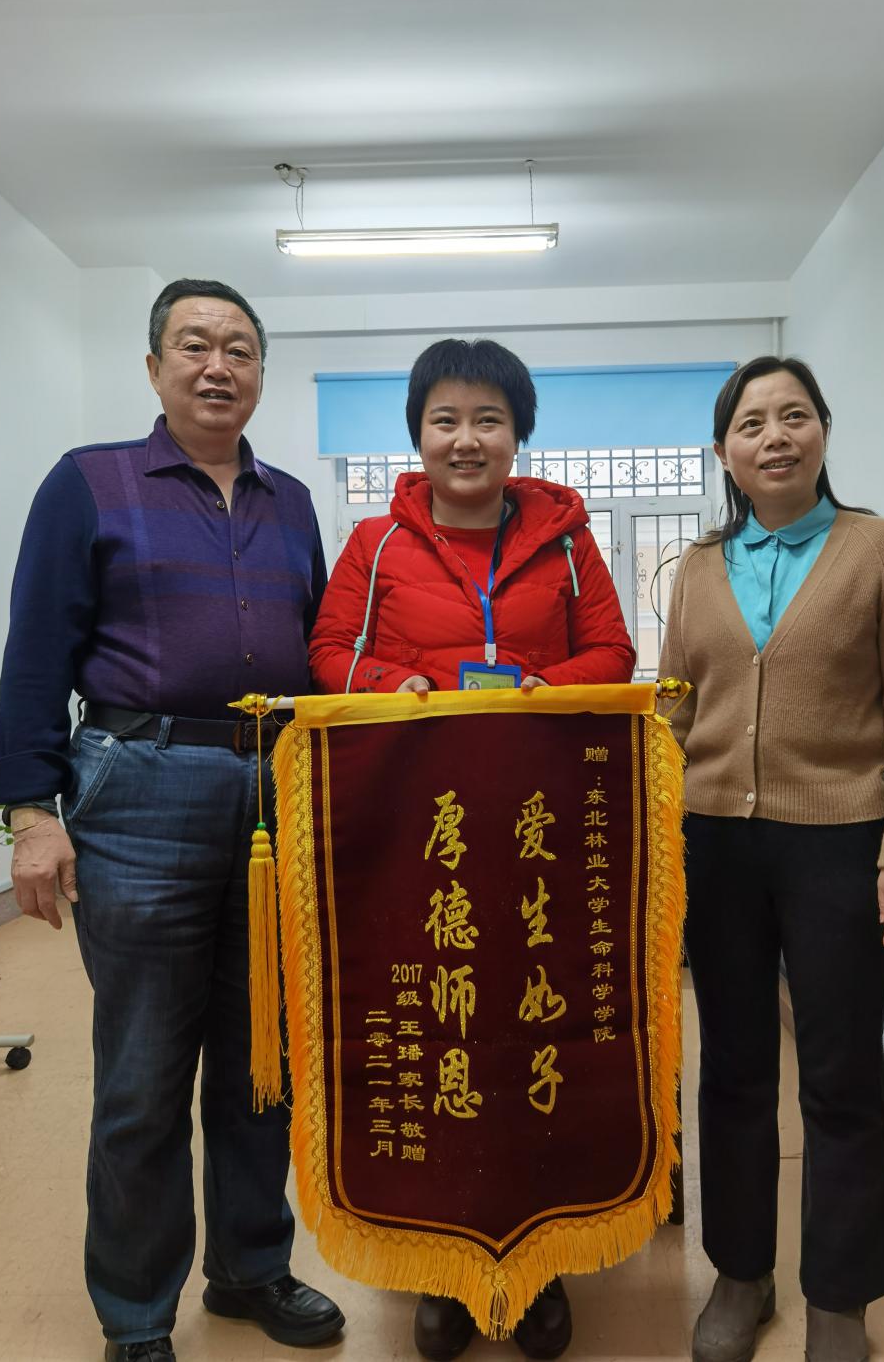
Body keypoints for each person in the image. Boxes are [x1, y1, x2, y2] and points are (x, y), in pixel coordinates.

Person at [0, 280, 344, 1362]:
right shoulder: (89, 483)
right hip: (137, 790)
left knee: (262, 1062)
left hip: (272, 793)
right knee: (142, 1078)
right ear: (153, 368)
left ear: (260, 374)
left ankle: (251, 1270)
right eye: (194, 345)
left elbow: (322, 655)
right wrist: (33, 815)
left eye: (239, 348)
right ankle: (136, 1317)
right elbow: (33, 654)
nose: (217, 365)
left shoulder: (291, 503)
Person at [310, 337, 636, 1359]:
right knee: (440, 1030)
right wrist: (389, 683)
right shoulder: (375, 543)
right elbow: (330, 651)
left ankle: (540, 1262)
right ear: (417, 434)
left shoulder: (569, 542)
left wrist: (549, 684)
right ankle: (442, 1266)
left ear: (517, 433)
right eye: (444, 418)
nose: (466, 438)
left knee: (539, 1027)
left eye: (487, 419)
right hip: (420, 834)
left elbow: (613, 652)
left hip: (540, 834)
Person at [657, 356, 884, 1362]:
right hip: (713, 845)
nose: (773, 437)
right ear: (724, 451)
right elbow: (674, 709)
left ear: (822, 430)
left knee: (837, 1078)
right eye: (751, 423)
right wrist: (652, 829)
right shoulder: (697, 568)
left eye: (793, 416)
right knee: (733, 1070)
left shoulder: (881, 551)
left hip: (841, 844)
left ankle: (839, 1300)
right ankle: (741, 1276)